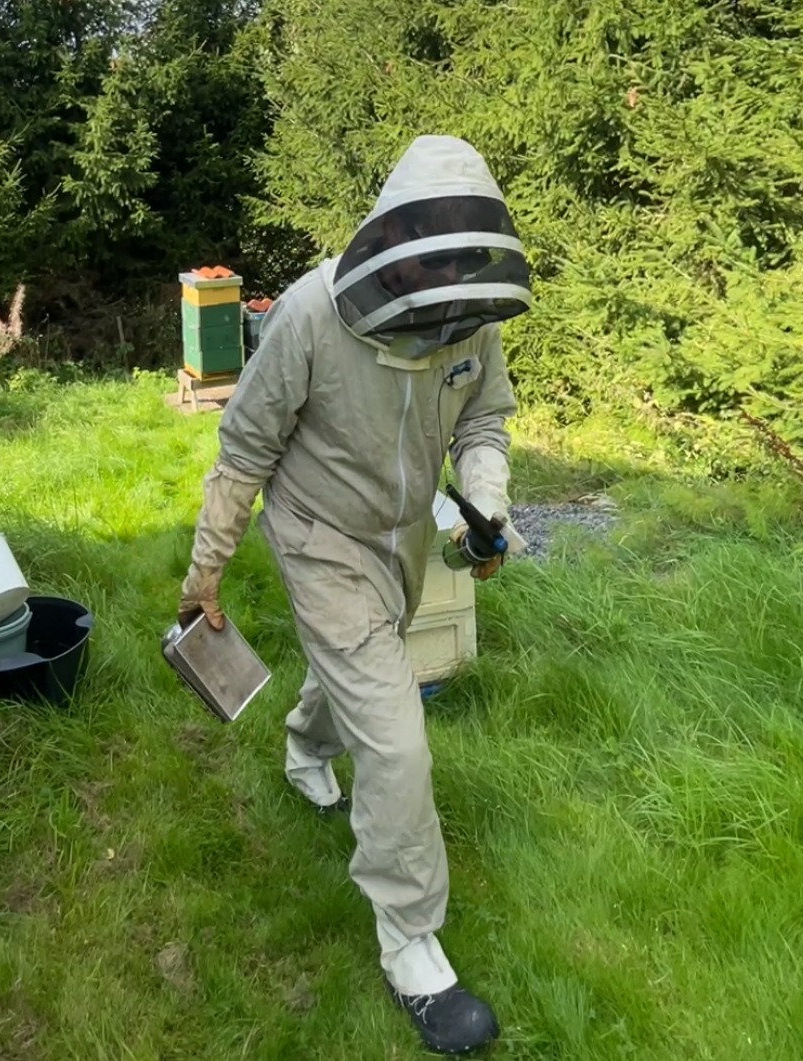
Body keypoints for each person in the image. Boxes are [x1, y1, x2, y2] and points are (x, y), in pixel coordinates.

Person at [177, 135, 532, 1056]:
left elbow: (484, 420)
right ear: (392, 232)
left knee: (358, 678)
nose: (445, 275)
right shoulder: (307, 314)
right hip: (318, 536)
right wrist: (204, 570)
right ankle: (410, 939)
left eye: (460, 255)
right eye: (431, 251)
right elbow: (243, 451)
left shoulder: (471, 316)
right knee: (396, 735)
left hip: (404, 536)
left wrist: (485, 504)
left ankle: (303, 747)